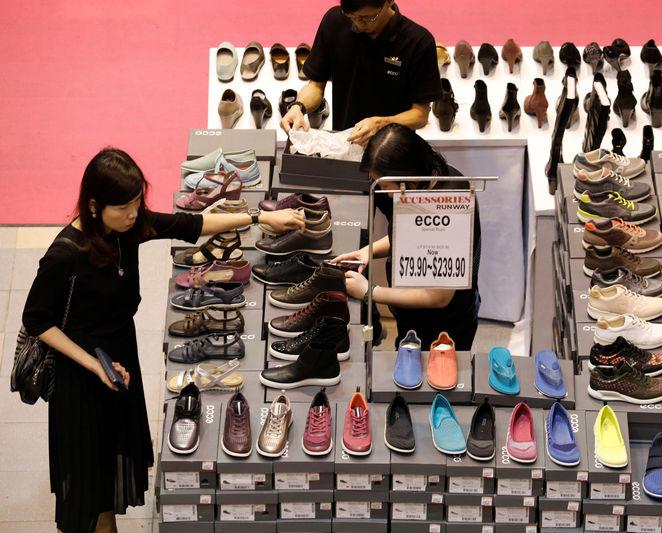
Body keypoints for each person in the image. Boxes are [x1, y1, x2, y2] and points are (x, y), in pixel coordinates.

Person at [21, 148, 304, 533]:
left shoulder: (127, 228)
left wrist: (260, 216)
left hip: (120, 357)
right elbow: (37, 320)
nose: (134, 214)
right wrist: (93, 364)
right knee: (84, 484)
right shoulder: (65, 254)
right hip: (81, 375)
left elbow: (189, 224)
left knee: (108, 474)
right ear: (93, 205)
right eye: (123, 207)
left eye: (137, 203)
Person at [331, 124, 481, 349]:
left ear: (408, 177)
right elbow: (415, 240)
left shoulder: (449, 207)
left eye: (388, 186)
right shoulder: (431, 182)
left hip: (442, 329)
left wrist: (370, 292)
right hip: (416, 317)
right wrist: (367, 252)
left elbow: (439, 297)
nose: (388, 195)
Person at [280, 0, 441, 146]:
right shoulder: (334, 21)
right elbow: (316, 85)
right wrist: (298, 107)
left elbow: (420, 114)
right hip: (345, 143)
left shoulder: (419, 41)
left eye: (366, 18)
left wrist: (381, 123)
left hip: (393, 151)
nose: (358, 23)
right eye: (351, 16)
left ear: (389, 2)